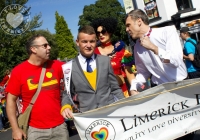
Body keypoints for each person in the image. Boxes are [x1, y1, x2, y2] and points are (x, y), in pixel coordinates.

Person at [5, 34, 69, 140]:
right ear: (33, 49)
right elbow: (10, 101)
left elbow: (77, 74)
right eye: (45, 45)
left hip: (60, 127)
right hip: (34, 130)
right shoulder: (19, 71)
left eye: (48, 45)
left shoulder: (57, 65)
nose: (49, 47)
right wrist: (15, 129)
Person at [61, 25, 124, 119]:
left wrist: (125, 105)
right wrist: (65, 106)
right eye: (84, 42)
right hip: (89, 118)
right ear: (77, 42)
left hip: (112, 113)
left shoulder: (105, 61)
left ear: (96, 42)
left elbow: (115, 88)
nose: (89, 45)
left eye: (92, 41)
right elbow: (68, 93)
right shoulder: (69, 67)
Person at [125, 9, 187, 95]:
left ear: (139, 21)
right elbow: (143, 72)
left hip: (182, 86)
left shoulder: (167, 32)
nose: (127, 29)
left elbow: (176, 61)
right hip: (160, 91)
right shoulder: (137, 47)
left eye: (128, 25)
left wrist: (154, 48)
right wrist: (134, 87)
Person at [91, 17, 136, 97]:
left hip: (122, 93)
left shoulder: (121, 51)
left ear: (110, 31)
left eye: (103, 31)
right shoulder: (93, 53)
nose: (101, 34)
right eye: (98, 33)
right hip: (103, 95)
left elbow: (129, 74)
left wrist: (135, 90)